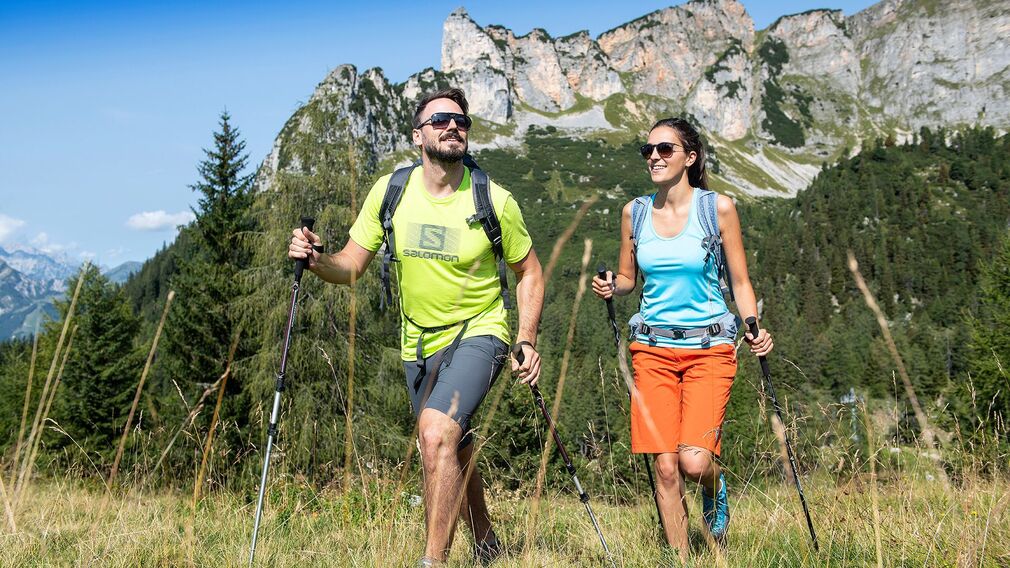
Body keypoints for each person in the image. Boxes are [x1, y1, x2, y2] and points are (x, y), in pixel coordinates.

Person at [289, 88, 544, 566]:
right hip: (418, 342)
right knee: (455, 444)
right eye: (441, 119)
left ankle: (434, 562)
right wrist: (317, 259)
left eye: (461, 122)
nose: (453, 126)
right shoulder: (391, 192)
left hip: (480, 329)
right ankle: (486, 540)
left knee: (435, 435)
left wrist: (525, 338)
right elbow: (351, 265)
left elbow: (529, 271)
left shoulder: (494, 199)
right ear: (417, 135)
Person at [591, 117, 773, 560]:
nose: (653, 156)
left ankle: (715, 485)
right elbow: (631, 278)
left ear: (689, 158)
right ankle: (681, 559)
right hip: (651, 351)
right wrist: (613, 285)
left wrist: (753, 327)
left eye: (665, 149)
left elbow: (740, 282)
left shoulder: (718, 209)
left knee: (694, 462)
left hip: (710, 349)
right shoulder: (633, 212)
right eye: (648, 149)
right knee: (667, 468)